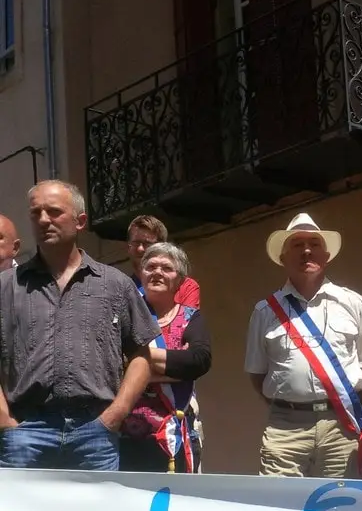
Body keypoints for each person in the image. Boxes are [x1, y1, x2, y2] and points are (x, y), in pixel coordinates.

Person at [0, 180, 159, 470]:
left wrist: (116, 414)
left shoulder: (114, 285)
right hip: (26, 432)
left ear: (80, 221)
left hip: (95, 433)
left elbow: (141, 354)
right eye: (36, 213)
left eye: (54, 211)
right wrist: (5, 420)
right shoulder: (7, 287)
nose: (44, 220)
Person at [245, 213, 362, 478]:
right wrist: (293, 402)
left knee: (340, 505)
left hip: (341, 424)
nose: (306, 251)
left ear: (326, 256)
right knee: (279, 504)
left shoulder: (354, 304)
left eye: (314, 245)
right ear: (283, 258)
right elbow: (257, 373)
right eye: (297, 245)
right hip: (285, 427)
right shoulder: (265, 311)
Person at [120, 243, 212, 473]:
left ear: (180, 280)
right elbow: (109, 363)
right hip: (127, 437)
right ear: (141, 274)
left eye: (166, 268)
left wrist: (135, 363)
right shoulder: (125, 318)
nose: (157, 272)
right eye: (150, 267)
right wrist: (174, 369)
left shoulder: (191, 318)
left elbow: (198, 361)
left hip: (175, 434)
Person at [126, 215, 200, 307]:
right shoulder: (121, 289)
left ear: (161, 247)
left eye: (147, 244)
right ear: (128, 247)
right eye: (135, 243)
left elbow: (185, 320)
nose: (140, 249)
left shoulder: (184, 287)